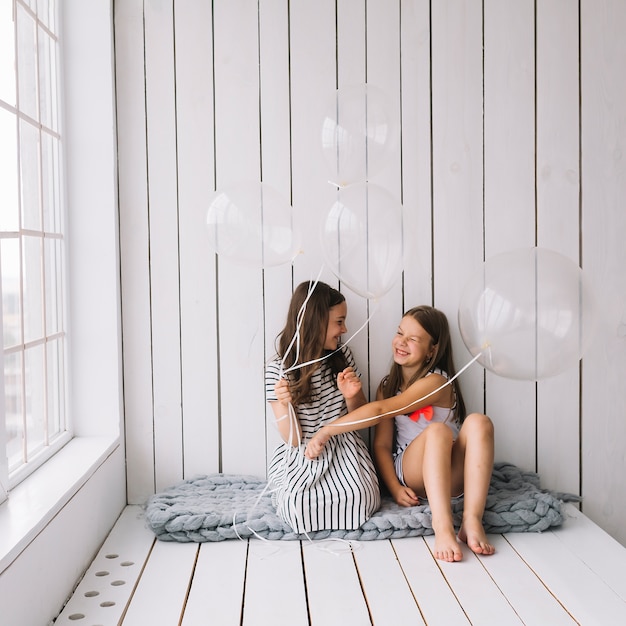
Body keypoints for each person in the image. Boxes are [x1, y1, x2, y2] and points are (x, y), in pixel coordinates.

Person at [305, 305, 495, 562]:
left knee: (479, 422)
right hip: (413, 469)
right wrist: (394, 487)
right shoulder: (387, 386)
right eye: (400, 333)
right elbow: (382, 445)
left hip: (452, 474)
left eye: (413, 339)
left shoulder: (437, 382)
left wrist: (328, 429)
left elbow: (383, 410)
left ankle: (472, 519)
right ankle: (442, 525)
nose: (401, 342)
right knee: (437, 432)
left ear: (432, 350)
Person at [266, 280, 380, 534]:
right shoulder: (279, 370)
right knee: (297, 505)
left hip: (343, 450)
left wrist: (352, 396)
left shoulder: (342, 357)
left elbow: (360, 415)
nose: (345, 328)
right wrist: (285, 405)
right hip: (304, 455)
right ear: (315, 321)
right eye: (339, 321)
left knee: (358, 496)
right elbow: (293, 439)